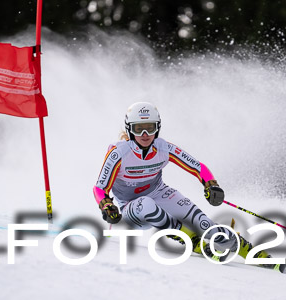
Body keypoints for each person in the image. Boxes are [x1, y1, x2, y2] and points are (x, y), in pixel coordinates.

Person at [93, 101, 270, 263]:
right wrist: (106, 205)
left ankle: (246, 249)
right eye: (139, 129)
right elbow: (100, 187)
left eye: (151, 128)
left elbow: (197, 167)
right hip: (129, 210)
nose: (145, 134)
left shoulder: (164, 148)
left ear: (158, 128)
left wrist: (211, 185)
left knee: (204, 224)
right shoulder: (119, 153)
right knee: (146, 204)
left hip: (158, 192)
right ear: (130, 129)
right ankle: (191, 239)